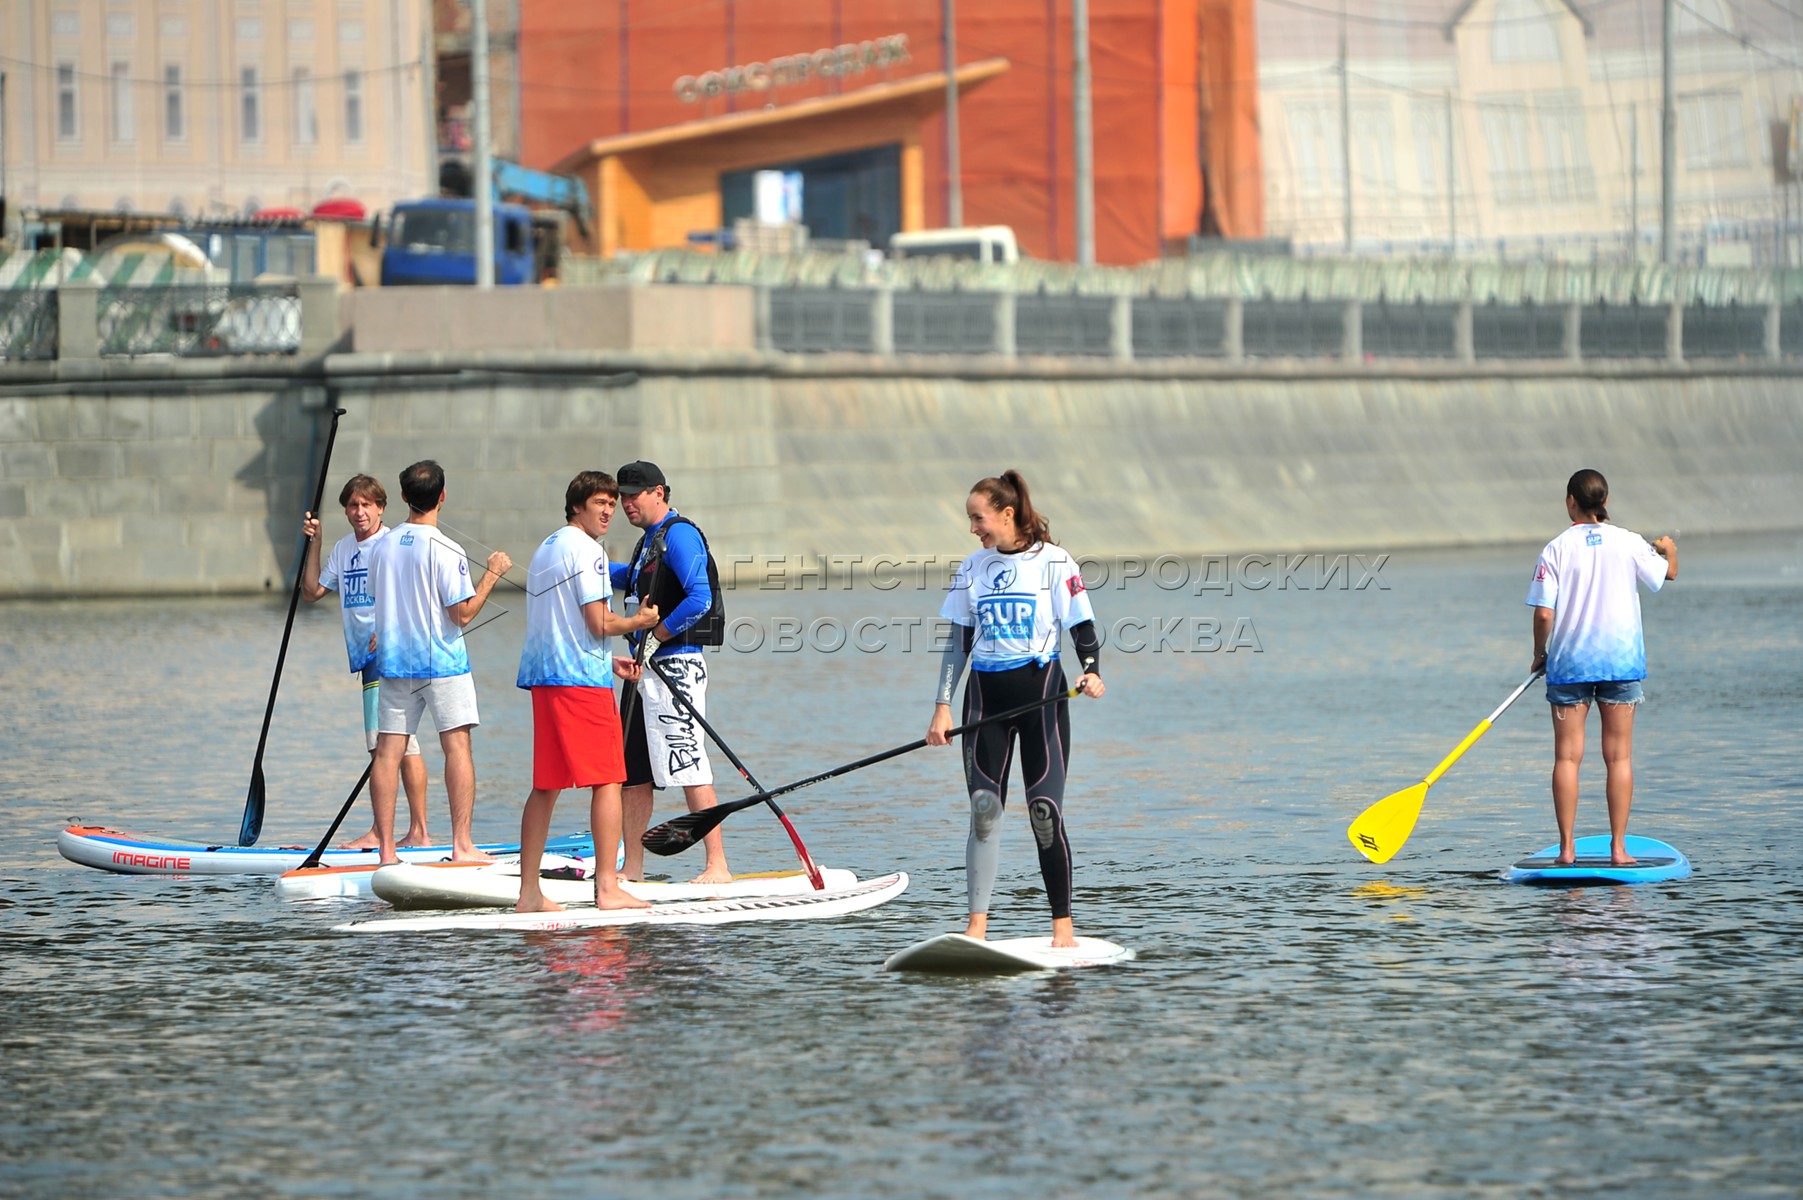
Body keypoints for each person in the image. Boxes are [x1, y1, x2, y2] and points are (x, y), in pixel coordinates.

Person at [925, 470, 1104, 948]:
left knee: (1044, 813)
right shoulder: (973, 568)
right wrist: (942, 707)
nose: (973, 529)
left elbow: (1082, 627)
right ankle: (976, 928)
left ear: (1007, 514)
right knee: (984, 812)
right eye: (970, 519)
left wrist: (1091, 671)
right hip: (985, 701)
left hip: (1042, 697)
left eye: (978, 518)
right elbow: (957, 644)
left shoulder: (1054, 562)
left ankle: (1063, 929)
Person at [514, 471, 660, 912]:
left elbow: (565, 623)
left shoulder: (547, 547)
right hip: (579, 684)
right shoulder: (589, 550)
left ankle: (529, 894)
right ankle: (608, 888)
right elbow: (599, 622)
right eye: (600, 502)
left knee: (546, 787)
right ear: (576, 505)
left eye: (612, 504)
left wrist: (606, 660)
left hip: (546, 679)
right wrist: (639, 622)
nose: (608, 511)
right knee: (609, 781)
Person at [1527, 468, 1678, 866]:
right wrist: (1668, 549)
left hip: (1569, 664)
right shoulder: (1629, 541)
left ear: (1570, 502)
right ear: (1605, 502)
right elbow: (1669, 573)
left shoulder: (1555, 549)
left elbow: (1544, 614)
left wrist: (1539, 653)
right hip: (1620, 663)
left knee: (1566, 759)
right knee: (1619, 758)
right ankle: (1619, 849)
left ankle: (1566, 850)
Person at [365, 460, 512, 866]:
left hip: (395, 663)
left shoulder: (381, 545)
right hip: (443, 664)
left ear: (403, 497)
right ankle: (462, 845)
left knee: (388, 752)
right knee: (457, 747)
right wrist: (492, 575)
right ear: (442, 496)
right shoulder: (448, 548)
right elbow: (462, 615)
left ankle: (387, 852)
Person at [609, 460, 733, 885]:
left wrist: (657, 637)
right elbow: (632, 578)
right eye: (622, 497)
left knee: (688, 764)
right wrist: (588, 566)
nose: (626, 504)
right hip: (641, 671)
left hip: (676, 668)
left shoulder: (679, 534)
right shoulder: (648, 540)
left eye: (634, 495)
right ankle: (633, 868)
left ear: (659, 493)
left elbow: (700, 597)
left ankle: (717, 865)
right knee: (633, 775)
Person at [300, 475, 433, 850]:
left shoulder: (392, 544)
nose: (359, 512)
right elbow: (311, 592)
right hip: (366, 658)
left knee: (383, 747)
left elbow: (415, 594)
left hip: (389, 656)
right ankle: (418, 832)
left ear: (381, 508)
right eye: (353, 506)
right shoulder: (344, 549)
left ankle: (385, 831)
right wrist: (315, 543)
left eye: (367, 505)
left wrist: (390, 629)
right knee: (403, 744)